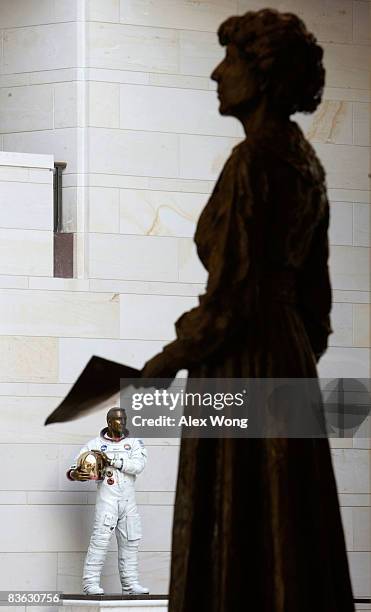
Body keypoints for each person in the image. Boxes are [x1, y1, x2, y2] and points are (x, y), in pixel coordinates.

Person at [139, 8, 355, 612]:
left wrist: (168, 359)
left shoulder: (253, 162)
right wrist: (289, 359)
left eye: (230, 60)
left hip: (242, 358)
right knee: (288, 511)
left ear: (262, 75)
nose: (216, 73)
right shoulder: (304, 163)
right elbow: (317, 302)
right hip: (284, 353)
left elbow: (232, 297)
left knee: (238, 512)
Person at [67, 406, 149, 596]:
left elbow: (138, 466)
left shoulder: (135, 443)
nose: (122, 423)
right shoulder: (94, 444)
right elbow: (76, 469)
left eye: (124, 419)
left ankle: (130, 585)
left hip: (128, 501)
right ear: (109, 422)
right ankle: (90, 584)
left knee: (130, 540)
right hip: (108, 499)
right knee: (100, 540)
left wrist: (111, 460)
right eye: (118, 420)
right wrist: (76, 474)